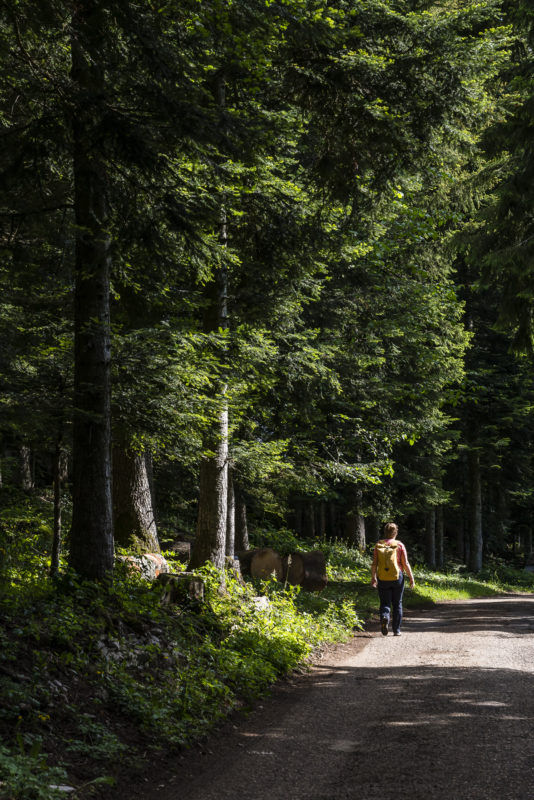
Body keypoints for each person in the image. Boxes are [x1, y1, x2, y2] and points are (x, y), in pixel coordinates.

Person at [370, 522, 415, 636]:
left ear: (385, 532)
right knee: (397, 603)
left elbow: (374, 563)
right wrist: (411, 578)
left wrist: (373, 577)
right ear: (396, 533)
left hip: (383, 578)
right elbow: (405, 563)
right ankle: (396, 630)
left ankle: (385, 616)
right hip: (397, 577)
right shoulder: (399, 545)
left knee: (385, 603)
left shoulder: (378, 545)